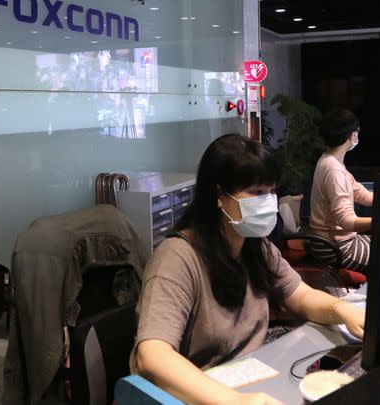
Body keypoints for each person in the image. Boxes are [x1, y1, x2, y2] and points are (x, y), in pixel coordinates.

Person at [131, 134, 365, 405]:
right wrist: (233, 401)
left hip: (249, 375)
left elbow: (299, 296)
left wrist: (342, 310)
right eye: (256, 193)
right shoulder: (176, 259)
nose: (268, 202)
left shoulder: (255, 247)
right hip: (202, 392)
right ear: (219, 196)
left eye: (270, 191)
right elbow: (152, 355)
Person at [309, 109, 374, 272]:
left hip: (331, 243)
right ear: (351, 135)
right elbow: (347, 221)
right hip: (336, 248)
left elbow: (362, 194)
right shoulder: (334, 170)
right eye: (357, 131)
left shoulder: (329, 160)